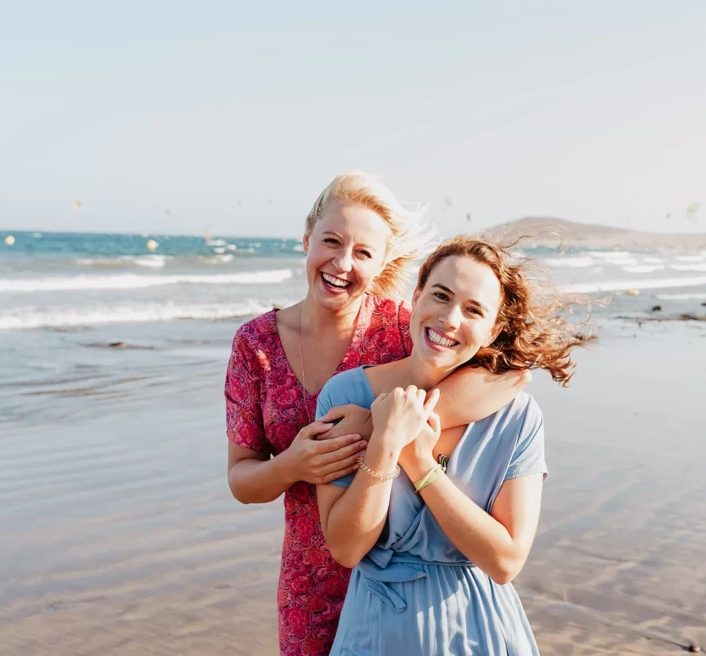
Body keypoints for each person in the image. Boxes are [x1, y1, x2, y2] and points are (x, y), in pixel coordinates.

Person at [225, 174, 529, 656]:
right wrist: (294, 465)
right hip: (313, 575)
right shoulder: (255, 346)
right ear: (307, 239)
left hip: (407, 566)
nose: (342, 263)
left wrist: (379, 425)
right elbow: (241, 478)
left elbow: (506, 379)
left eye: (364, 252)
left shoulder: (400, 327)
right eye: (331, 241)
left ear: (383, 263)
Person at [316, 236, 588, 655]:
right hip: (374, 632)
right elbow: (347, 548)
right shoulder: (344, 396)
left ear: (493, 328)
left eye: (473, 310)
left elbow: (506, 561)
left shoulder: (517, 418)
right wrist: (385, 443)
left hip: (480, 632)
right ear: (417, 293)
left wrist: (418, 460)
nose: (449, 319)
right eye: (441, 296)